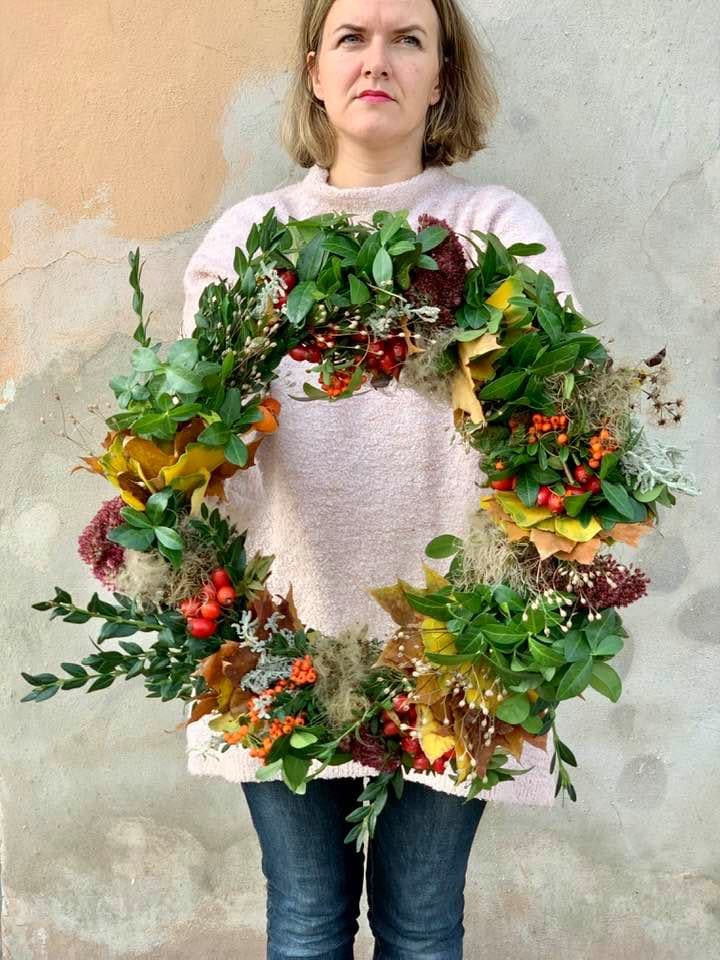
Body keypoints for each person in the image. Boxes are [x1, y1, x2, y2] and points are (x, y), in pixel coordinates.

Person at [181, 2, 584, 957]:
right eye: (351, 38)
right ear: (314, 72)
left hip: (457, 651)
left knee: (421, 923)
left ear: (442, 76)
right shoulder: (251, 239)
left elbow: (558, 432)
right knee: (306, 918)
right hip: (280, 646)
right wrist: (187, 564)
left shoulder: (495, 229)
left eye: (408, 39)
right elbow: (197, 443)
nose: (378, 61)